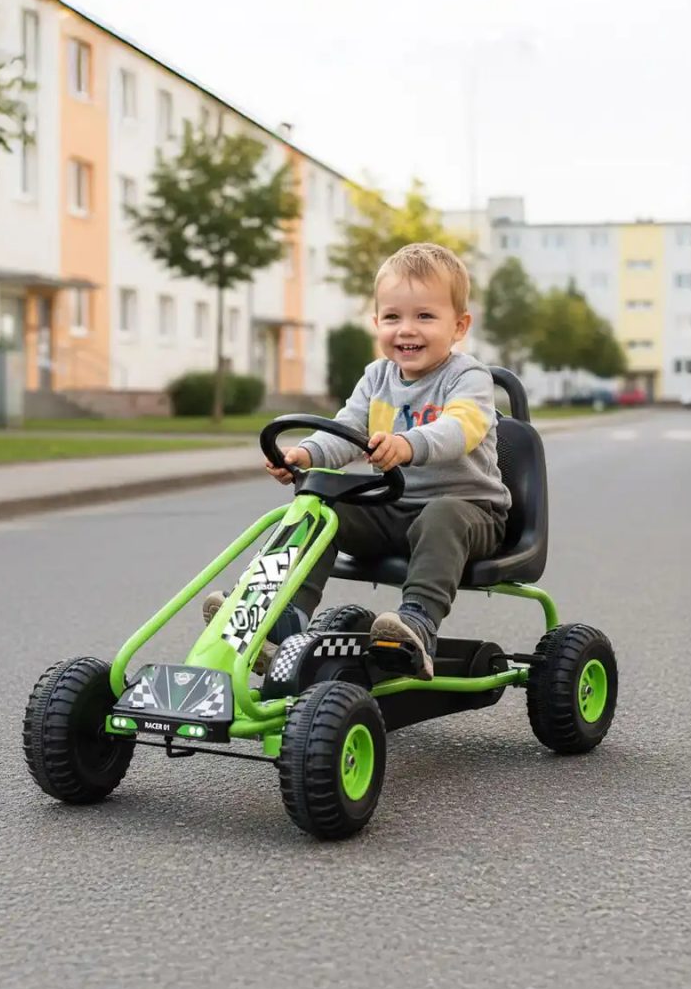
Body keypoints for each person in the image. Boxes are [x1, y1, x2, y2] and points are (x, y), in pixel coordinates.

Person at [204, 242, 511, 679]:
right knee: (320, 508)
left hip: (468, 514)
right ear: (376, 323)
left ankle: (418, 625)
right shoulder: (376, 377)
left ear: (459, 326)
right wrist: (305, 453)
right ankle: (279, 620)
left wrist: (407, 444)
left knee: (441, 515)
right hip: (392, 510)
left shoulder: (467, 377)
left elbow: (462, 428)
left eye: (425, 316)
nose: (407, 330)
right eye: (393, 317)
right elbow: (346, 429)